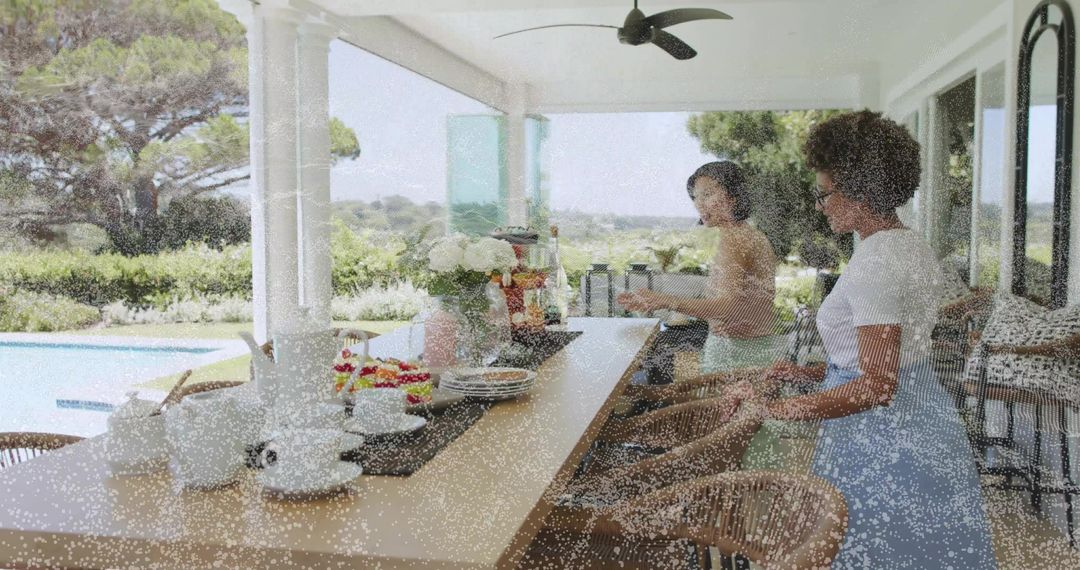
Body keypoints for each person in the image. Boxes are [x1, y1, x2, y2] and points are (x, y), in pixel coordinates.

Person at [728, 110, 996, 568]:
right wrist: (812, 373)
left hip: (883, 439)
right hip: (921, 417)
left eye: (825, 191)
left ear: (861, 189)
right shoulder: (909, 245)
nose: (820, 204)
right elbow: (896, 357)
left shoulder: (876, 261)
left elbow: (876, 384)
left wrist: (774, 410)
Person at [617, 160, 786, 374]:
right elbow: (744, 304)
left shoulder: (736, 238)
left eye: (708, 195)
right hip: (752, 352)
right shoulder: (748, 234)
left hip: (737, 357)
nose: (699, 204)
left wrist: (666, 301)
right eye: (696, 197)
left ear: (733, 197)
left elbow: (727, 307)